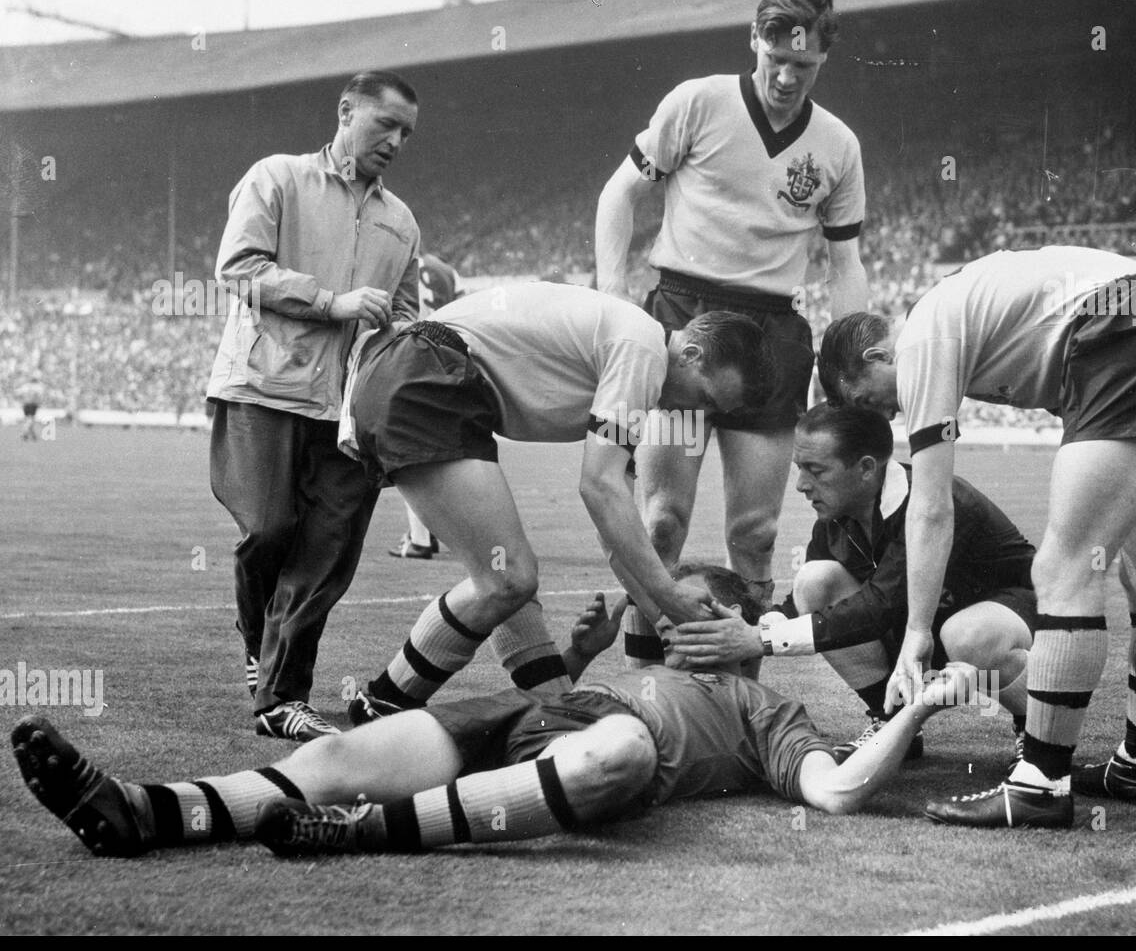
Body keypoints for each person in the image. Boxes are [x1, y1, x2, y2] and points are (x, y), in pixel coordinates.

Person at [11, 566, 985, 860]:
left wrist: (925, 704)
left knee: (620, 751)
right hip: (521, 728)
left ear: (729, 620)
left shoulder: (765, 711)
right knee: (344, 753)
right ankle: (143, 809)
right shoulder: (618, 666)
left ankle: (364, 835)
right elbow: (546, 686)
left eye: (682, 599)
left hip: (591, 763)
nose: (657, 605)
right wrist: (586, 653)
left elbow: (841, 790)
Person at [820, 247, 1136, 828]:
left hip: (1123, 327)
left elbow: (931, 505)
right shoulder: (974, 316)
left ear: (877, 354)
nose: (887, 414)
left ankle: (1041, 785)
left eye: (871, 398)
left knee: (1062, 570)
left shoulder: (922, 339)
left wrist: (917, 632)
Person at [341, 282, 773, 725]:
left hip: (423, 372)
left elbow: (615, 528)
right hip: (425, 372)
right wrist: (667, 598)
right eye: (703, 398)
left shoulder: (640, 357)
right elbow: (599, 487)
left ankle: (558, 714)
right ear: (692, 354)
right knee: (506, 578)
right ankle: (383, 702)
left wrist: (664, 616)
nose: (694, 411)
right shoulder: (644, 350)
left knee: (508, 581)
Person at [594, 0, 868, 644]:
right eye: (775, 56)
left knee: (757, 532)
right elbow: (618, 195)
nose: (784, 75)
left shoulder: (836, 145)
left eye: (802, 65)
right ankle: (645, 674)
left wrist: (848, 354)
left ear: (823, 59)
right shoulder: (699, 103)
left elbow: (845, 261)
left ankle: (744, 680)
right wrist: (612, 297)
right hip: (685, 323)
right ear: (755, 39)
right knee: (661, 518)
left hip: (770, 338)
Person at [206, 71, 421, 741]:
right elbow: (238, 267)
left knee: (328, 549)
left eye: (406, 132)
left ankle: (281, 695)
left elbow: (406, 318)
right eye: (385, 123)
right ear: (346, 111)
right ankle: (261, 647)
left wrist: (402, 367)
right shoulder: (277, 179)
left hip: (351, 411)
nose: (396, 140)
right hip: (263, 389)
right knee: (270, 529)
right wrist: (334, 302)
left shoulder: (402, 220)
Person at [666, 404, 1035, 763]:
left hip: (1013, 615)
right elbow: (802, 603)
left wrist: (757, 642)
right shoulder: (837, 516)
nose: (800, 485)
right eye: (799, 468)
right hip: (925, 628)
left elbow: (880, 605)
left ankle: (1038, 734)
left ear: (866, 469)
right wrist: (750, 628)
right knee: (815, 581)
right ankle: (890, 718)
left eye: (815, 470)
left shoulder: (933, 504)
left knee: (968, 634)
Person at [389, 253, 461, 560]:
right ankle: (438, 535)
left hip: (411, 357)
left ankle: (420, 539)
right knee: (446, 456)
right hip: (447, 359)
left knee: (409, 455)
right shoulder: (448, 271)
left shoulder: (397, 262)